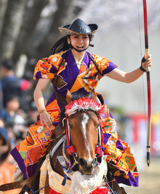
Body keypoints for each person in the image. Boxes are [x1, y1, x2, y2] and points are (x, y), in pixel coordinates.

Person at [10, 18, 152, 185]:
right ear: (69, 39)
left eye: (84, 37)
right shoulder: (55, 61)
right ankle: (29, 183)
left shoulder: (98, 63)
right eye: (76, 37)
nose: (80, 41)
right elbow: (38, 91)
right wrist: (42, 111)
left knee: (111, 141)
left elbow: (127, 78)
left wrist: (142, 68)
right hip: (60, 107)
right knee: (38, 138)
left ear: (89, 40)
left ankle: (113, 186)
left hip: (90, 108)